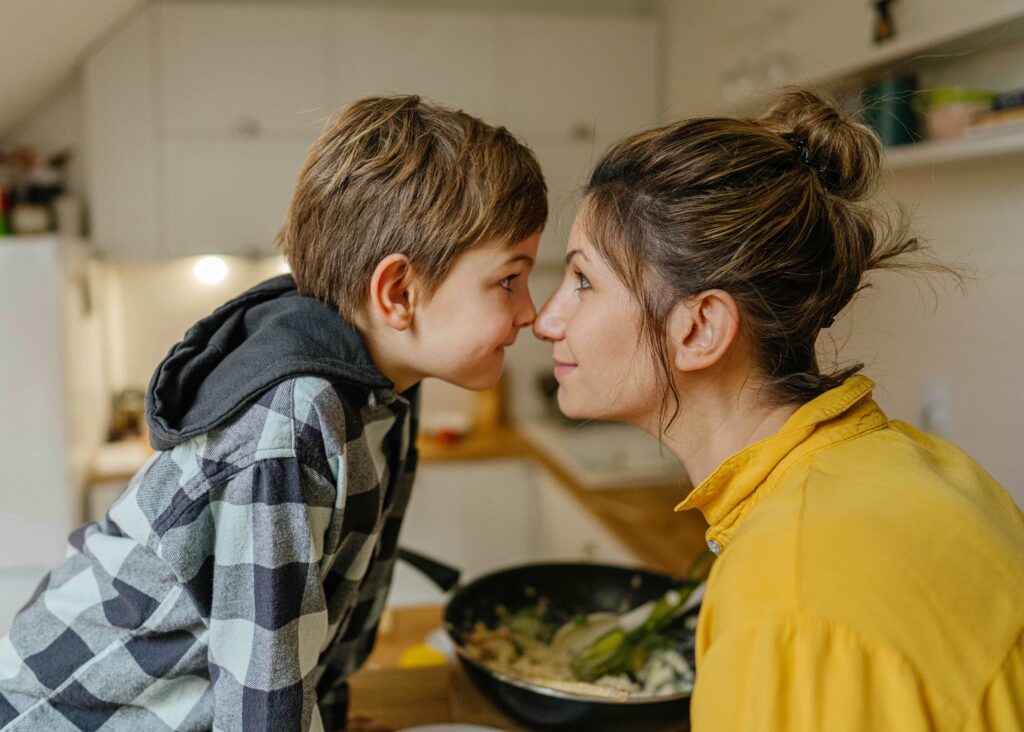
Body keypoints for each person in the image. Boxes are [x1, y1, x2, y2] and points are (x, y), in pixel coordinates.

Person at [0, 95, 545, 731]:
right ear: (400, 292)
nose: (531, 310)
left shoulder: (384, 384)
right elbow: (262, 709)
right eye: (510, 279)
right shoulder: (290, 423)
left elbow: (309, 630)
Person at [533, 88, 1024, 731]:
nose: (546, 320)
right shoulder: (926, 464)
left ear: (701, 328)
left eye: (583, 281)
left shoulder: (786, 599)